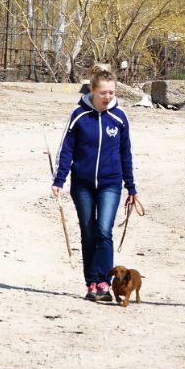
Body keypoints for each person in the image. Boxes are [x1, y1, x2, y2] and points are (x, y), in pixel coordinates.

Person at [52, 65, 139, 302]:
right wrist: (59, 179)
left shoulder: (119, 117)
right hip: (82, 183)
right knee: (89, 232)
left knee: (104, 230)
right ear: (92, 90)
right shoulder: (78, 114)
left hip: (111, 183)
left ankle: (104, 281)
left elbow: (126, 153)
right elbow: (66, 149)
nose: (108, 97)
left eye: (111, 93)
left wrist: (131, 186)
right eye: (103, 93)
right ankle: (91, 284)